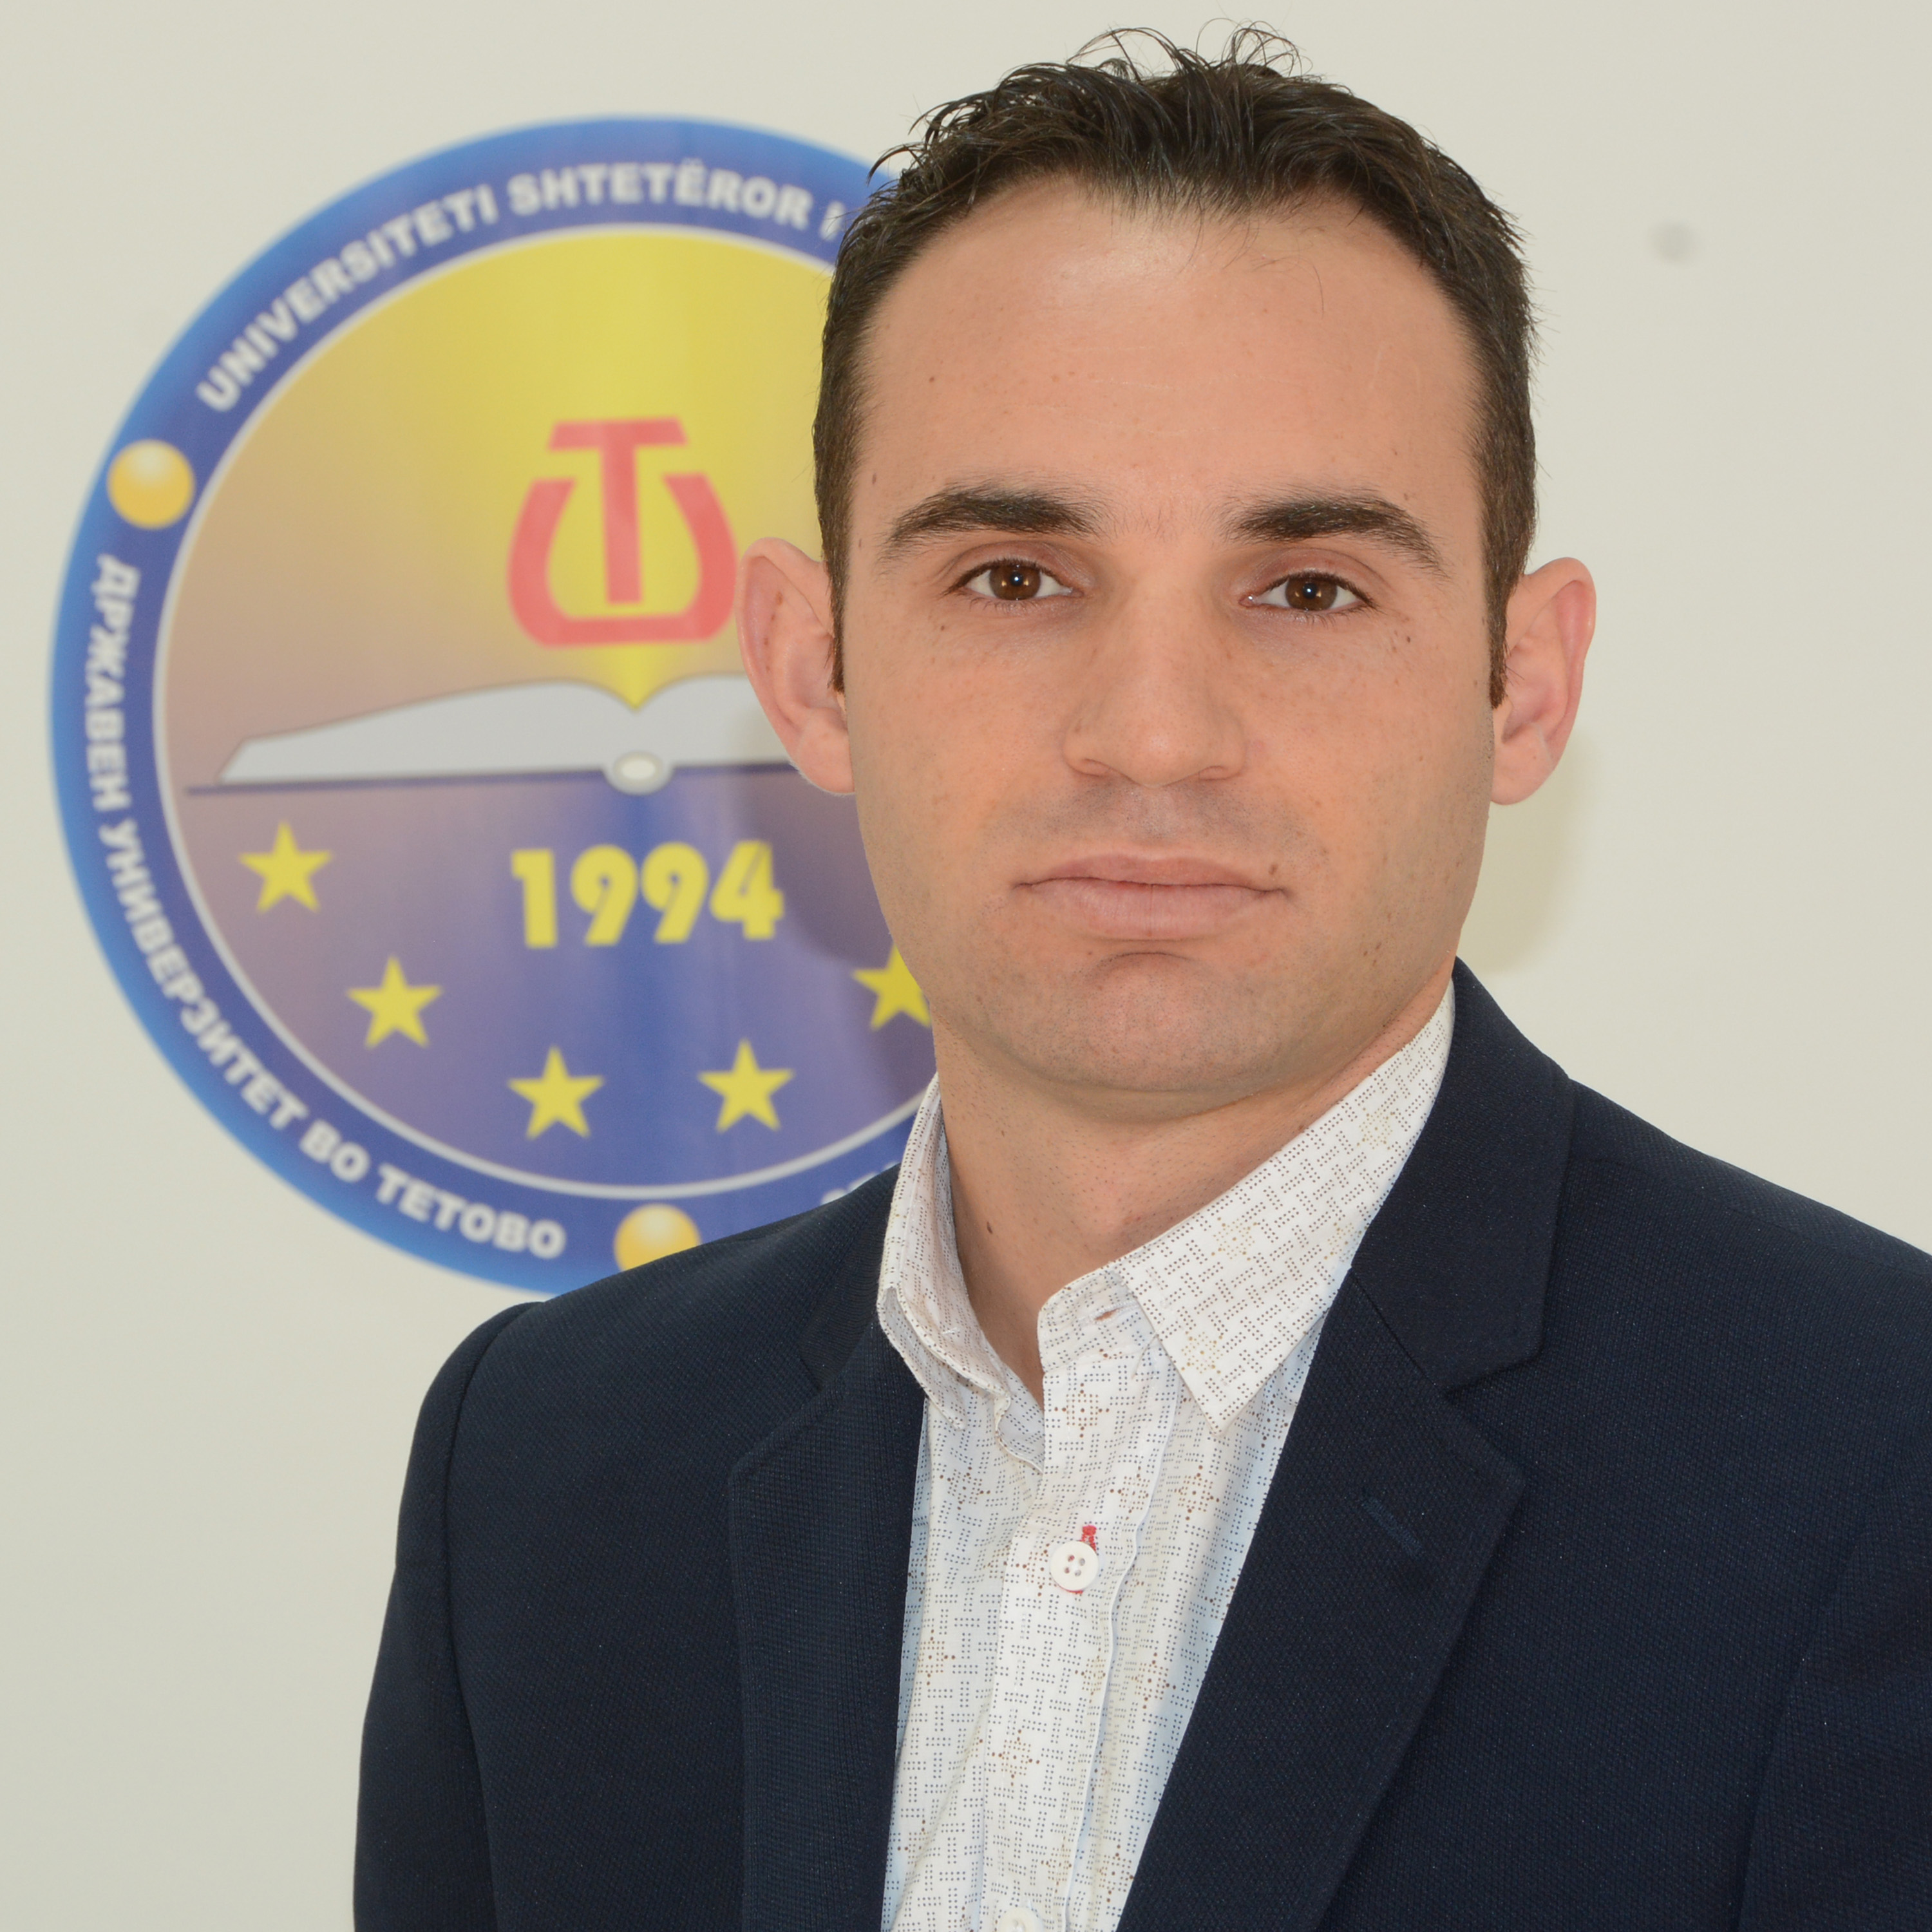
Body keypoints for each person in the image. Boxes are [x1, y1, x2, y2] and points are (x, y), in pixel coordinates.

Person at [355, 32, 1932, 1931]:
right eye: (1016, 578)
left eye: (1309, 589)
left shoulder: (1878, 1466)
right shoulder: (543, 1470)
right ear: (811, 665)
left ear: (1524, 686)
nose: (1156, 734)